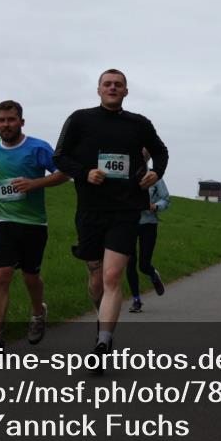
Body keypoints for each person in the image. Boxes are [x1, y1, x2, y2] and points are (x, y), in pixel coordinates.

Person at [53, 69, 168, 374]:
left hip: (126, 209)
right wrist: (84, 172)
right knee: (95, 278)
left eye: (118, 84)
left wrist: (157, 171)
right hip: (90, 209)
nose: (113, 88)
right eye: (108, 84)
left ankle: (103, 342)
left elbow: (161, 151)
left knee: (112, 276)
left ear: (126, 92)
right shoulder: (79, 119)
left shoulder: (138, 123)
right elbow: (60, 156)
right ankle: (102, 319)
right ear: (99, 90)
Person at [0, 100, 69, 354]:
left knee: (30, 276)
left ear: (21, 122)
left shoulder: (38, 148)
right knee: (1, 274)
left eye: (11, 120)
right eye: (1, 121)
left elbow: (63, 174)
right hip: (2, 220)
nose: (6, 125)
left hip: (34, 223)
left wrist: (33, 184)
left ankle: (38, 313)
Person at [128, 148, 170, 313]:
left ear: (149, 156)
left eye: (146, 151)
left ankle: (153, 274)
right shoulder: (127, 174)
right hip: (129, 223)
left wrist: (155, 206)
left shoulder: (155, 177)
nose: (142, 153)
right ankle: (136, 300)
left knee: (143, 265)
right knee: (130, 263)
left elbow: (166, 199)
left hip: (148, 223)